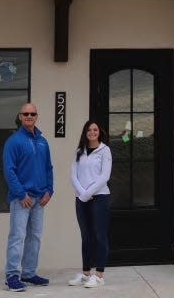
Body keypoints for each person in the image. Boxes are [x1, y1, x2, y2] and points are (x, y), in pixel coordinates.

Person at [2, 102, 54, 292]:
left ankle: (29, 273)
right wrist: (21, 193)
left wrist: (50, 190)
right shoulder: (13, 141)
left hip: (40, 198)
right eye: (26, 114)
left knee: (35, 237)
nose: (29, 116)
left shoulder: (43, 141)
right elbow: (9, 171)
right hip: (21, 198)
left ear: (36, 116)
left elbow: (49, 168)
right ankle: (12, 275)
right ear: (20, 116)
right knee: (17, 236)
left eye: (32, 113)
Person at [68, 120, 113, 289]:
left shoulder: (105, 150)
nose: (92, 132)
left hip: (99, 198)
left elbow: (104, 176)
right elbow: (73, 175)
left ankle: (99, 275)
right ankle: (86, 274)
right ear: (85, 132)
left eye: (95, 129)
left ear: (99, 132)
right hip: (82, 199)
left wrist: (88, 193)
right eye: (89, 130)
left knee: (99, 235)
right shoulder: (79, 151)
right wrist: (82, 194)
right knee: (85, 236)